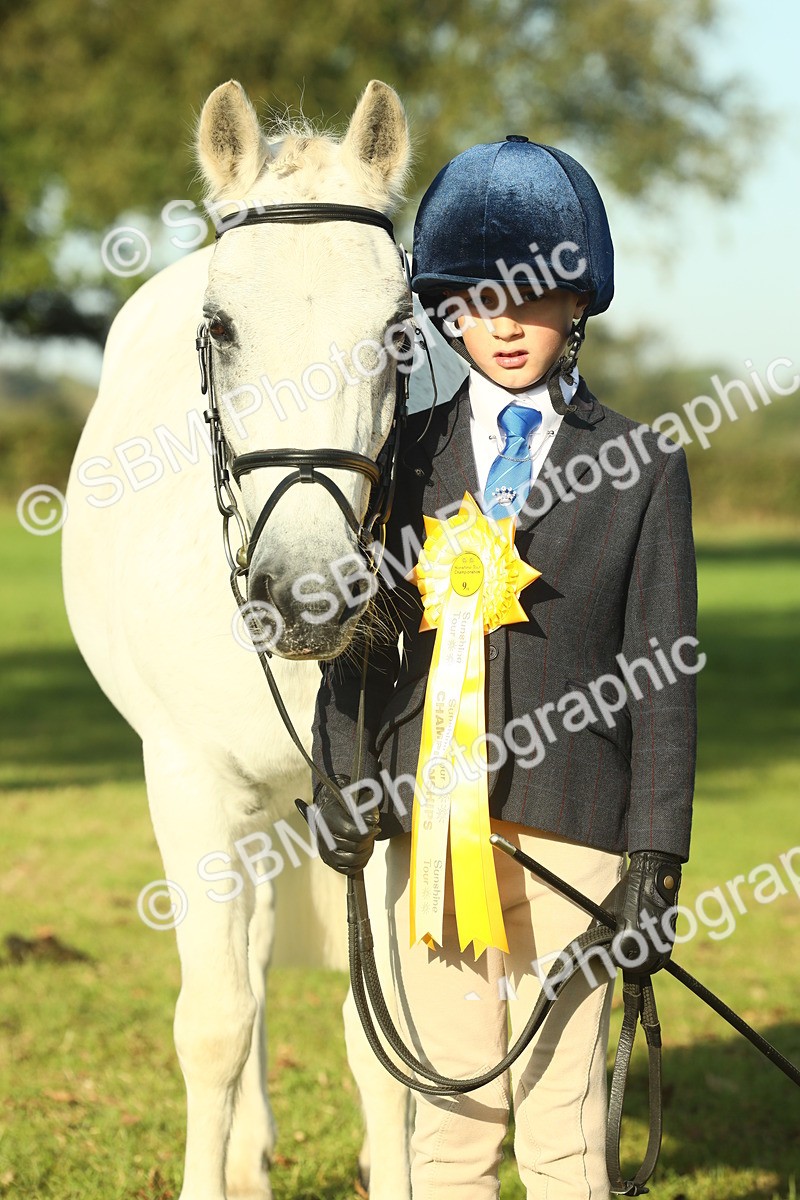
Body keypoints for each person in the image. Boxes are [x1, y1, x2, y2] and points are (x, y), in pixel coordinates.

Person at [305, 136, 698, 1199]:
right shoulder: (400, 458)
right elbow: (358, 642)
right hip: (432, 832)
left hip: (580, 827)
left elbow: (662, 674)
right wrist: (335, 779)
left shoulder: (642, 468)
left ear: (577, 307)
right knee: (448, 1126)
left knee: (565, 1125)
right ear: (448, 311)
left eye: (533, 300)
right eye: (479, 301)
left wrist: (656, 857)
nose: (506, 325)